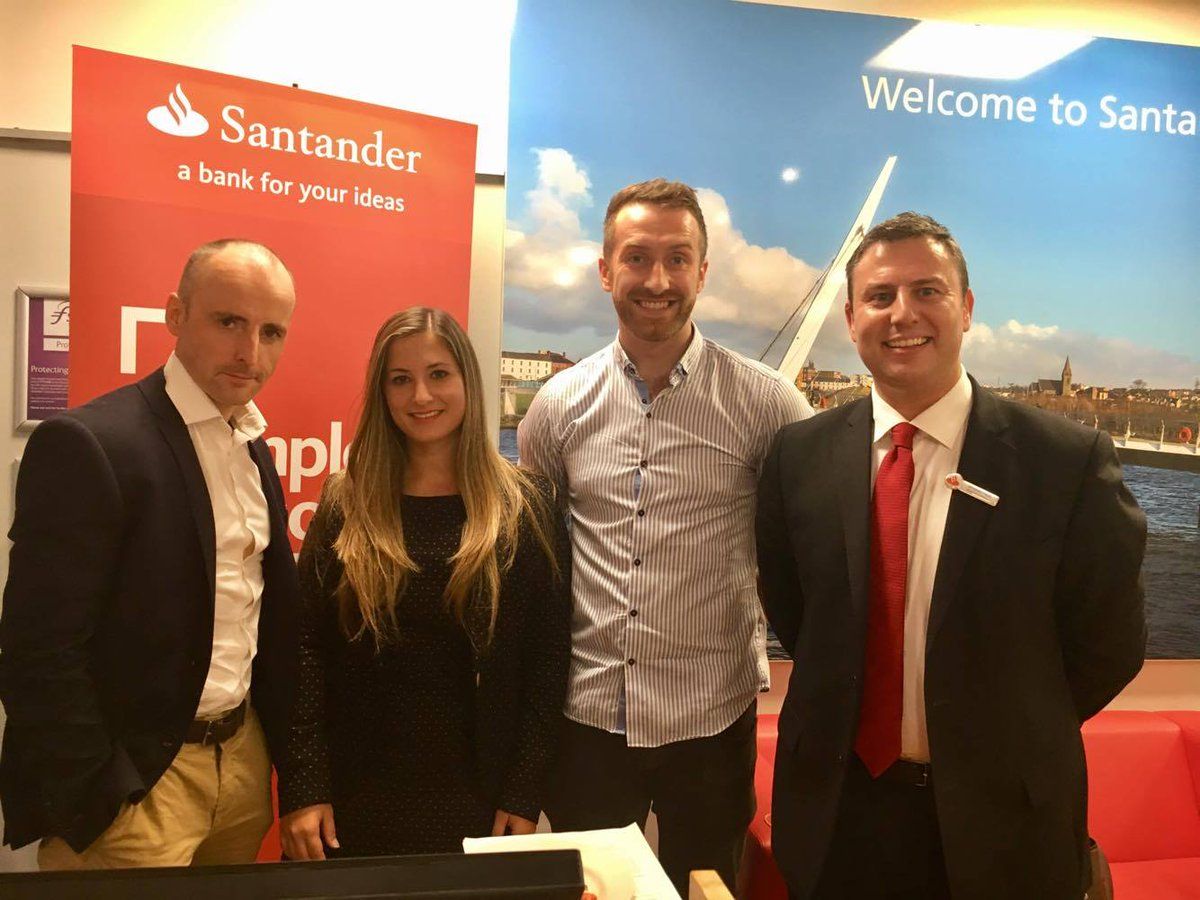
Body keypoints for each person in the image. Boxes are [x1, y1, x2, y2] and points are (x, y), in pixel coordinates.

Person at [756, 212, 1146, 899]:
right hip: (837, 818)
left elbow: (1109, 644)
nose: (902, 314)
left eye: (927, 291)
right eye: (880, 296)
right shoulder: (798, 455)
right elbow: (797, 613)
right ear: (850, 319)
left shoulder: (1065, 462)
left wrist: (1004, 728)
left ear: (965, 308)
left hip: (1005, 823)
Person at [518, 178, 812, 892]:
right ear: (605, 270)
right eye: (637, 257)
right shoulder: (557, 407)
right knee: (594, 892)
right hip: (587, 719)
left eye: (677, 258)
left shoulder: (768, 403)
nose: (657, 280)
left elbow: (807, 552)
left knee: (706, 890)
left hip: (710, 721)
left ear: (702, 272)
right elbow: (537, 566)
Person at [0, 239, 301, 868]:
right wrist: (100, 789)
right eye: (229, 322)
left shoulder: (251, 445)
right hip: (139, 784)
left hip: (240, 767)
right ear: (174, 315)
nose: (250, 352)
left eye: (271, 331)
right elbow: (38, 648)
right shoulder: (90, 443)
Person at [277, 307, 570, 860]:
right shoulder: (346, 502)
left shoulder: (526, 507)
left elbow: (548, 658)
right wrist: (303, 784)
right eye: (400, 379)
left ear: (467, 381)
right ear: (381, 392)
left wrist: (524, 789)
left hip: (478, 793)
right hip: (352, 792)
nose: (421, 396)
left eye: (438, 374)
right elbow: (304, 648)